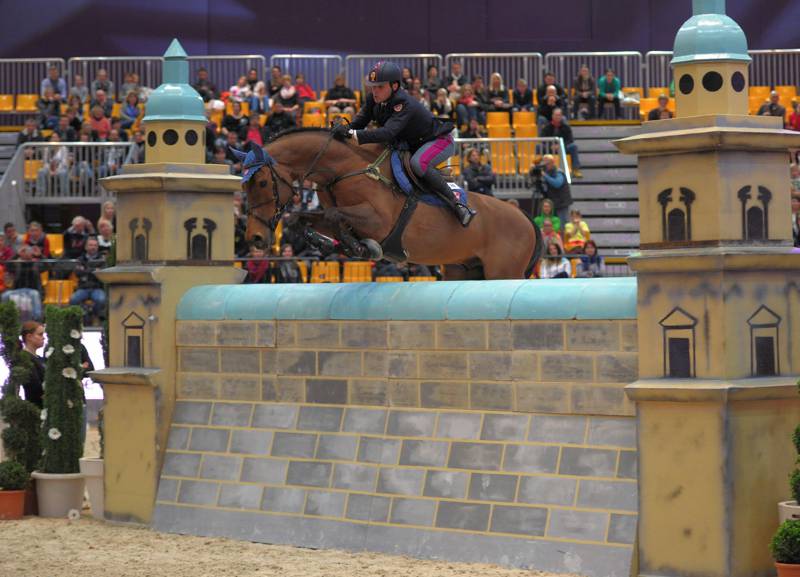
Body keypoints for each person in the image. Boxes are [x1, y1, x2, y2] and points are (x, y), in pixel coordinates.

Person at [333, 61, 475, 226]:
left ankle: (457, 204)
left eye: (380, 86)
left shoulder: (404, 103)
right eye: (373, 86)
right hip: (414, 144)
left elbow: (388, 132)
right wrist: (342, 130)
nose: (374, 91)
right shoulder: (374, 98)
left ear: (394, 86)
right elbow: (359, 122)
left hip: (439, 141)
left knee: (418, 164)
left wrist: (351, 133)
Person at [69, 237, 107, 321]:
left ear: (97, 247)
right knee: (73, 299)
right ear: (86, 247)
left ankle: (95, 316)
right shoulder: (80, 259)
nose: (93, 247)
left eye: (95, 245)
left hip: (97, 287)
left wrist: (85, 270)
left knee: (101, 300)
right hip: (83, 288)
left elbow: (102, 273)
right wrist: (94, 270)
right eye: (90, 245)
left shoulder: (103, 259)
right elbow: (77, 273)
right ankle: (80, 318)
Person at [541, 108, 583, 178]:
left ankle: (576, 169)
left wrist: (560, 145)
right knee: (539, 147)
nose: (557, 117)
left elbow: (570, 140)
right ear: (552, 116)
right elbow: (542, 138)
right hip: (550, 148)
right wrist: (550, 146)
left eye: (559, 115)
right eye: (556, 115)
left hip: (563, 148)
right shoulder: (547, 127)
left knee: (573, 146)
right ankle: (541, 169)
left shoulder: (566, 127)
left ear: (561, 116)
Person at [18, 321, 46, 408]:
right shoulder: (25, 358)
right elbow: (35, 388)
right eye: (40, 334)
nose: (43, 338)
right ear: (29, 337)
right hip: (36, 408)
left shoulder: (39, 358)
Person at [538, 154, 572, 226]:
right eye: (544, 164)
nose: (545, 166)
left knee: (563, 223)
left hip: (562, 202)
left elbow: (557, 184)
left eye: (547, 164)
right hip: (553, 202)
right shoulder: (546, 172)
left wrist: (545, 176)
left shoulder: (558, 172)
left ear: (553, 162)